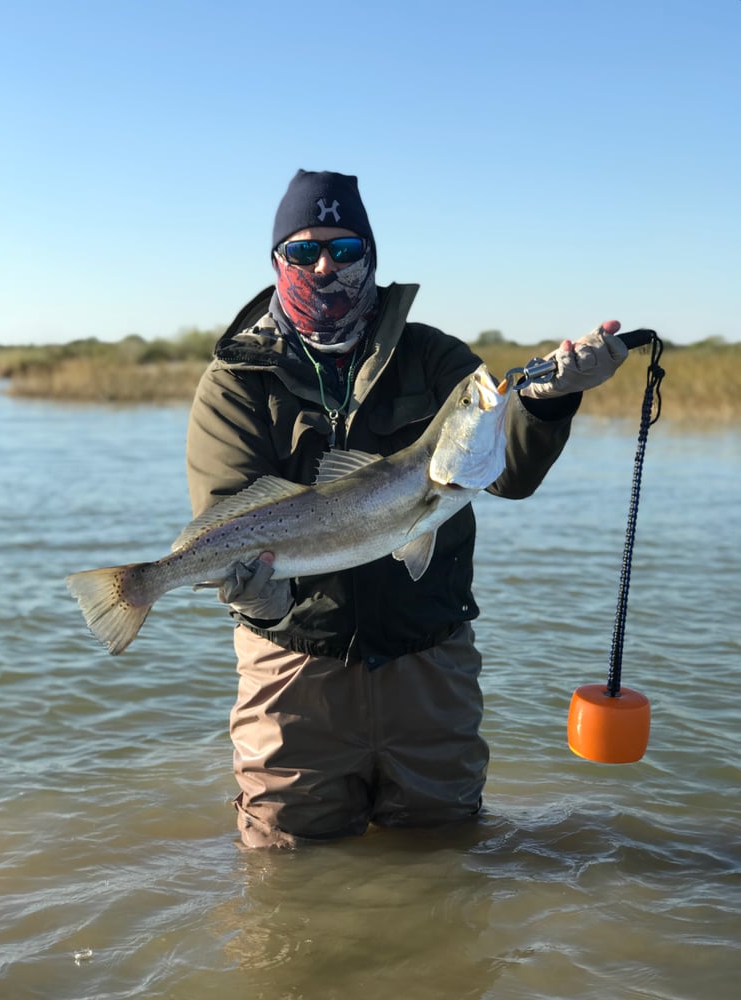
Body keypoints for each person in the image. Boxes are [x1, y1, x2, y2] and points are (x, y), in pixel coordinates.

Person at [186, 169, 628, 848]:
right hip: (292, 668)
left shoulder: (433, 357)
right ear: (278, 261)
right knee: (285, 870)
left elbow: (504, 471)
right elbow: (226, 510)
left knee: (444, 856)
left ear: (372, 256)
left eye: (346, 249)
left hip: (430, 659)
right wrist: (256, 600)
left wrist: (546, 403)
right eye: (304, 252)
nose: (326, 266)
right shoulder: (236, 381)